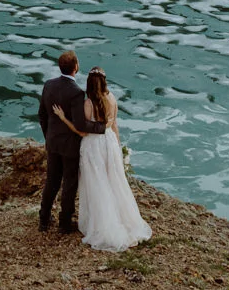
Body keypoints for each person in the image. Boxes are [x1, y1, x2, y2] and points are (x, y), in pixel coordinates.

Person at [50, 65, 153, 252]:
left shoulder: (88, 103)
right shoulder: (112, 98)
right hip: (110, 143)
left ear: (89, 83)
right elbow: (115, 126)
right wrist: (118, 148)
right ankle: (125, 221)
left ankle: (102, 225)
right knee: (114, 181)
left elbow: (82, 131)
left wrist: (64, 118)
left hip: (94, 145)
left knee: (97, 184)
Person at [38, 50, 105, 233]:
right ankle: (64, 223)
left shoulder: (48, 85)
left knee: (52, 181)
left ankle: (44, 219)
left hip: (53, 142)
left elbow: (42, 115)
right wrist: (101, 127)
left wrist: (48, 137)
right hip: (70, 146)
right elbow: (80, 124)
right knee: (69, 183)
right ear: (76, 67)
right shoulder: (76, 93)